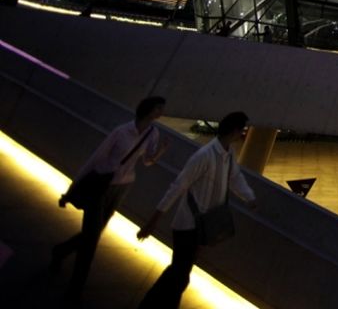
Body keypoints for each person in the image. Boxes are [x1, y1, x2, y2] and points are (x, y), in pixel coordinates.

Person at [52, 96, 169, 302]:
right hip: (101, 185)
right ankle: (75, 289)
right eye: (159, 108)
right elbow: (96, 158)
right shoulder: (121, 132)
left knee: (94, 232)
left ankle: (61, 250)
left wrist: (159, 152)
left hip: (122, 187)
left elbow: (147, 161)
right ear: (149, 109)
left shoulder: (153, 132)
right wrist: (72, 189)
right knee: (91, 239)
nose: (161, 112)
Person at [136, 111, 258, 309]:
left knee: (179, 272)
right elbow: (178, 186)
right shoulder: (204, 155)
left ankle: (150, 304)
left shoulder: (228, 153)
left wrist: (249, 197)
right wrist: (153, 221)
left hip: (202, 225)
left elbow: (234, 177)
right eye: (242, 130)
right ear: (235, 131)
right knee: (180, 275)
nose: (243, 134)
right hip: (188, 225)